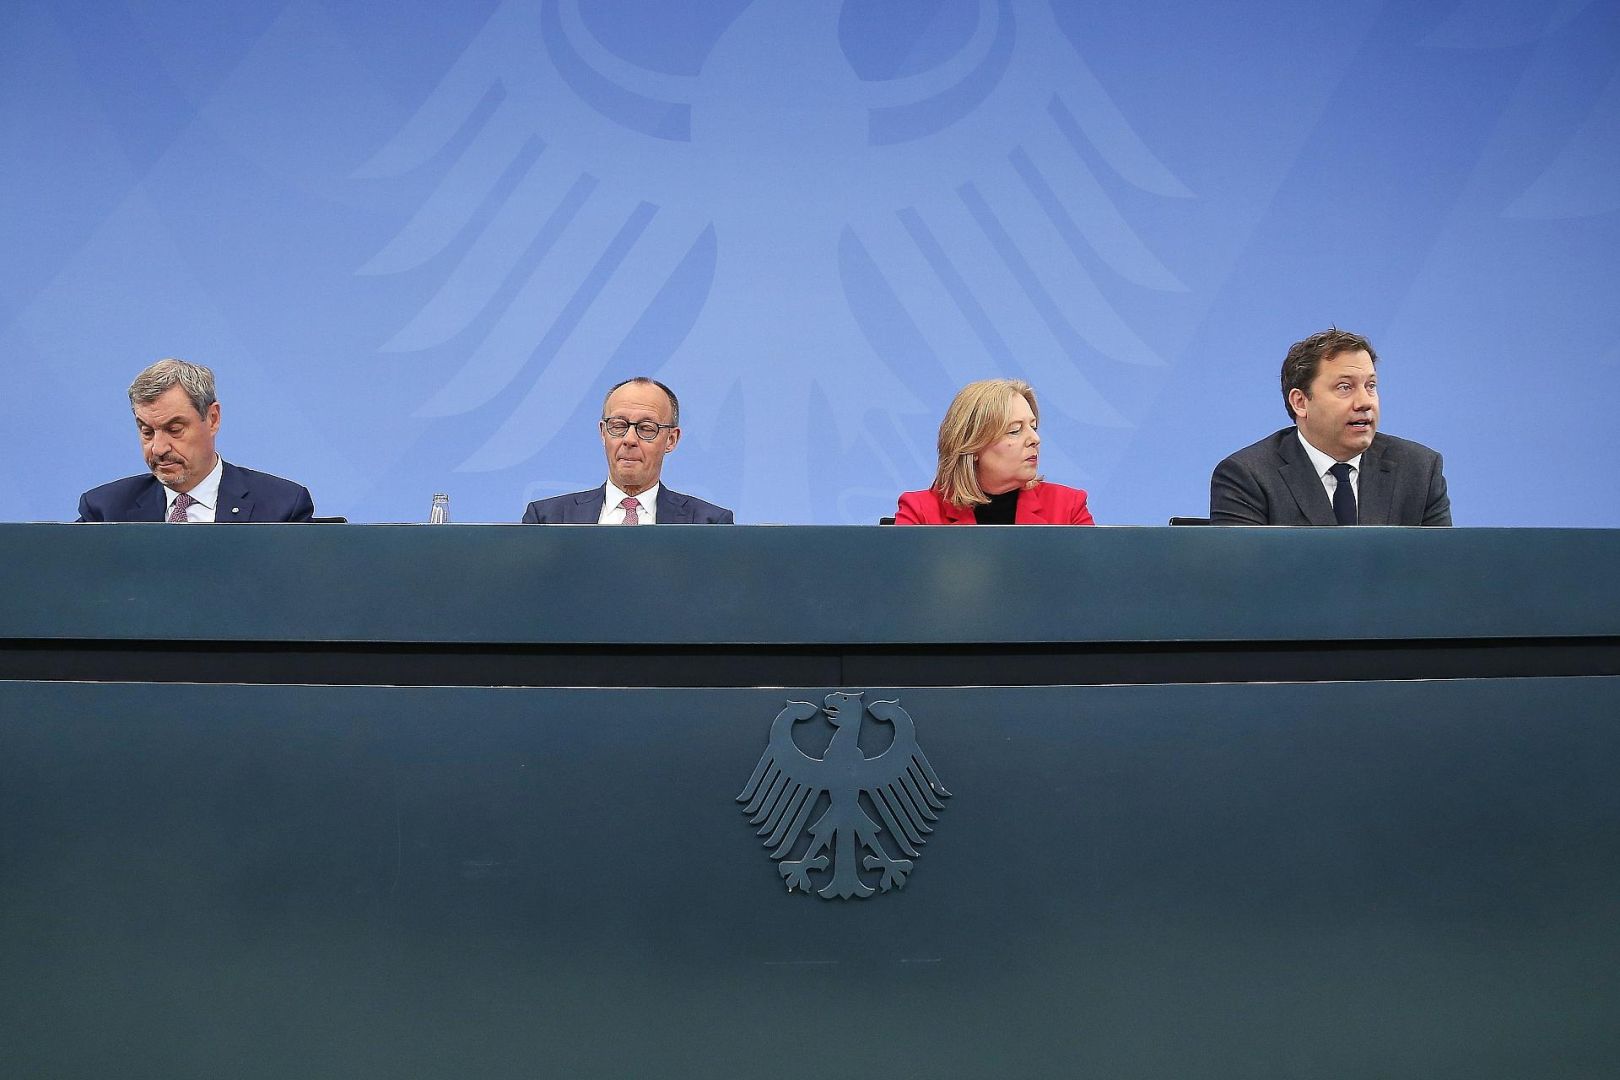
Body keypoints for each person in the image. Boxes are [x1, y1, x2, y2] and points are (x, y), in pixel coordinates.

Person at [1209, 328, 1451, 526]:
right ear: (1300, 402)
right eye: (1345, 387)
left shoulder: (1419, 470)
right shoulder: (1247, 476)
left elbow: (1442, 566)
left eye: (1371, 386)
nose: (1365, 402)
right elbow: (1243, 570)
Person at [77, 359, 315, 523]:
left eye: (175, 429)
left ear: (212, 419)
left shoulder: (281, 508)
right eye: (147, 431)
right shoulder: (105, 512)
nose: (158, 448)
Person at [521, 377, 733, 524]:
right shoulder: (548, 519)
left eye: (646, 428)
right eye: (618, 426)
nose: (629, 439)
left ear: (671, 439)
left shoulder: (709, 524)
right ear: (603, 432)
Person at [894, 378, 1094, 525]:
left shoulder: (1068, 508)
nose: (1035, 439)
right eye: (1015, 430)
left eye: (1033, 427)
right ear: (972, 446)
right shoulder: (920, 513)